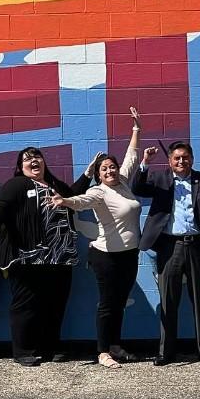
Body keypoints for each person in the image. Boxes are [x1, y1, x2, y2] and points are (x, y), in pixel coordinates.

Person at [52, 108, 144, 369]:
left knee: (120, 302)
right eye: (104, 169)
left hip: (129, 253)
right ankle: (103, 351)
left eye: (112, 167)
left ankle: (115, 345)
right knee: (107, 303)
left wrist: (136, 128)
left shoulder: (124, 182)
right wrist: (64, 200)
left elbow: (132, 156)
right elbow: (81, 202)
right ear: (99, 175)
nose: (110, 170)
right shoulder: (99, 192)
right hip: (106, 256)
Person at [131, 141, 200, 366]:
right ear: (170, 161)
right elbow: (137, 188)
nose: (181, 161)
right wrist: (145, 163)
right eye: (176, 158)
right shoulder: (159, 179)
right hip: (169, 246)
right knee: (168, 300)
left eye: (185, 157)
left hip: (198, 246)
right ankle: (166, 352)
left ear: (192, 159)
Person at [0, 146, 79, 366]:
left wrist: (89, 172)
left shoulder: (55, 185)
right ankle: (23, 350)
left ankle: (49, 348)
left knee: (55, 304)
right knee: (26, 305)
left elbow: (75, 195)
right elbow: (1, 208)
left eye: (37, 157)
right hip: (27, 257)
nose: (34, 161)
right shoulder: (16, 184)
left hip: (60, 256)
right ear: (21, 167)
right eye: (27, 159)